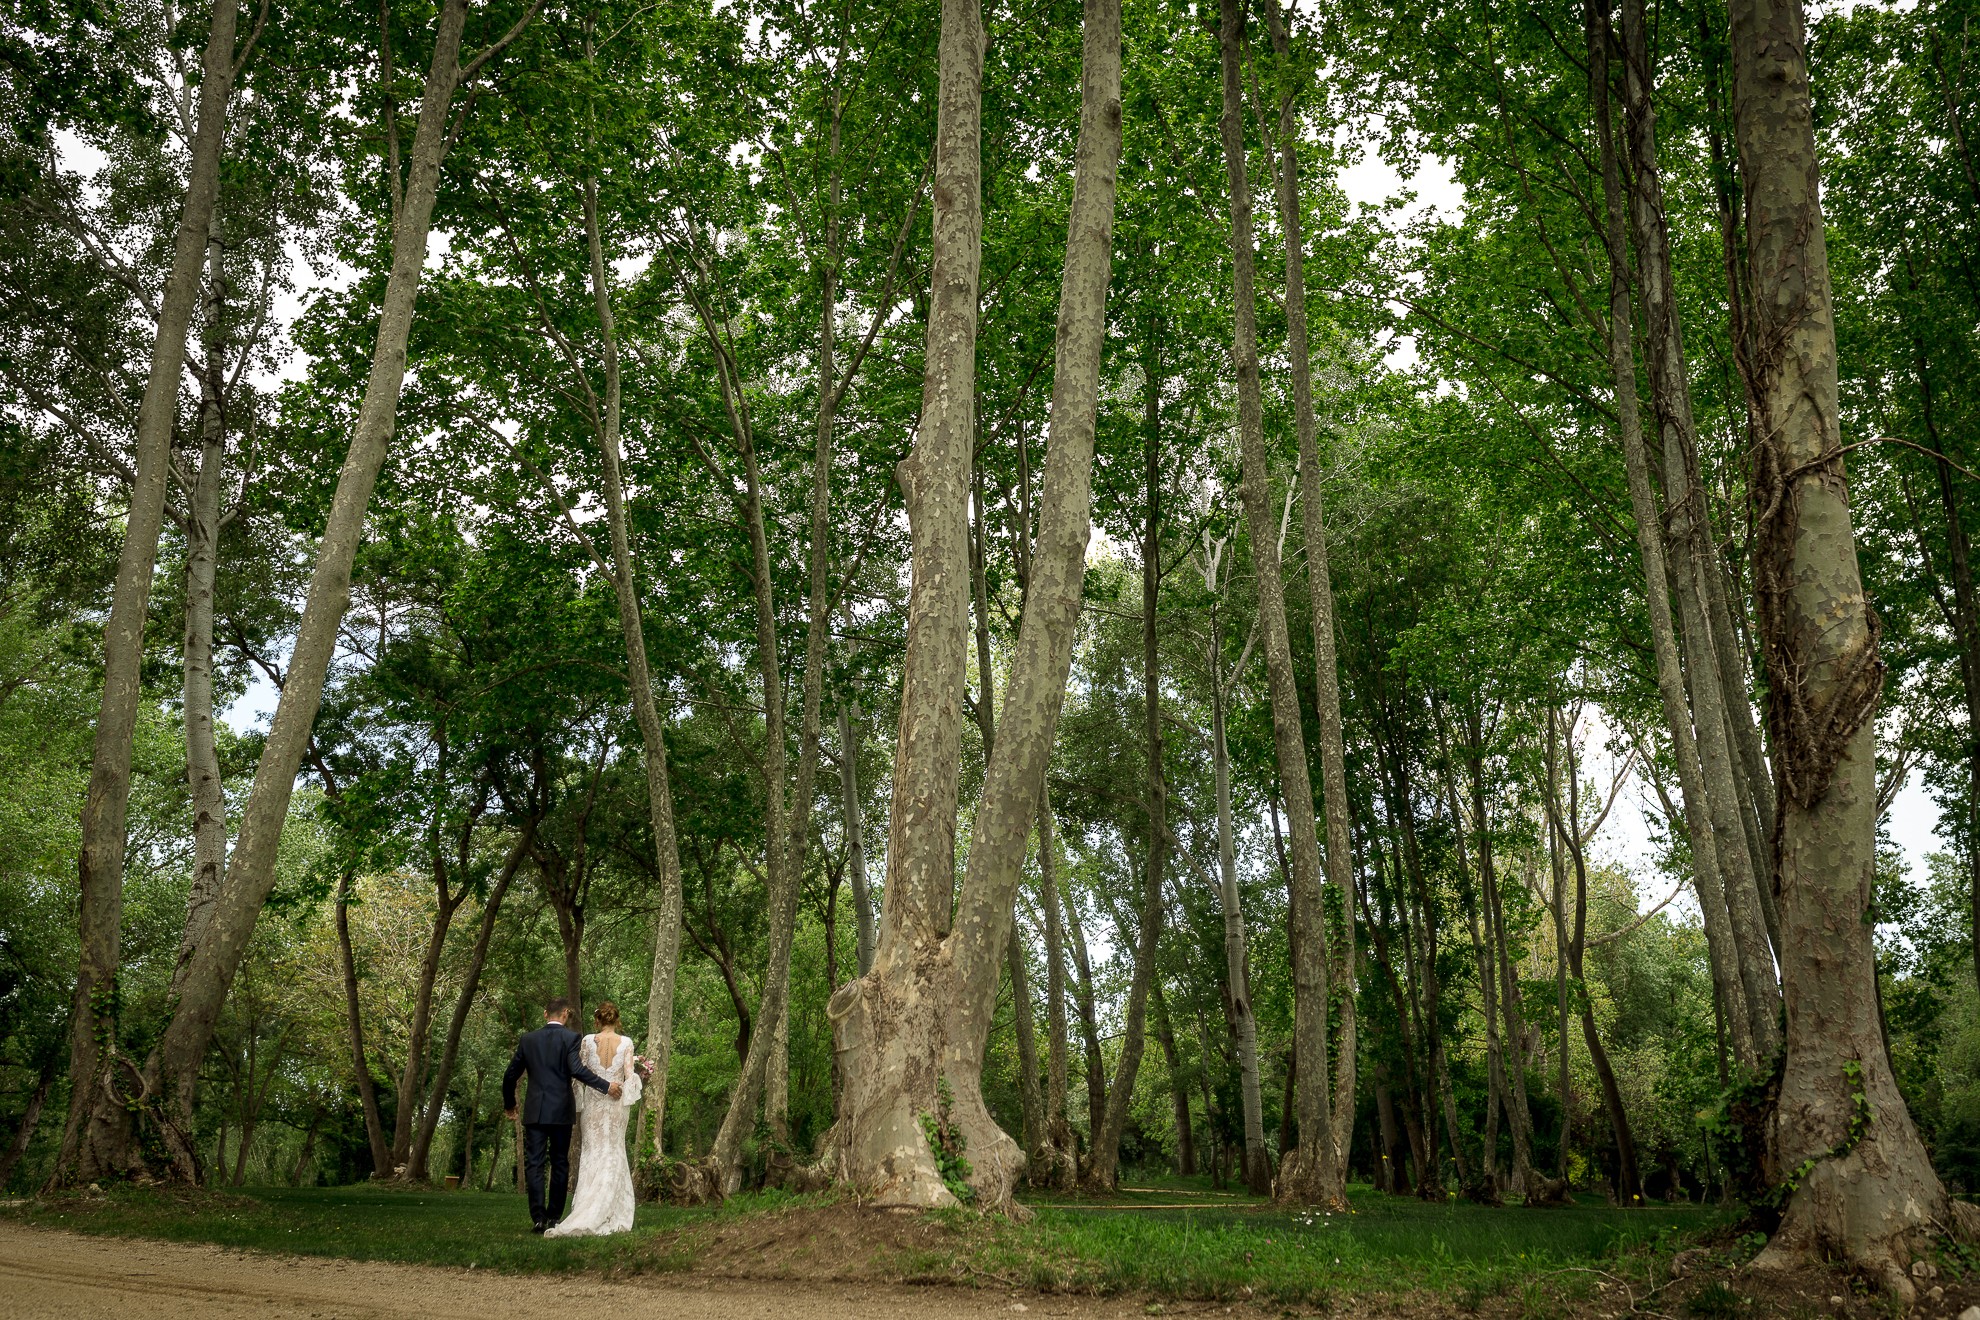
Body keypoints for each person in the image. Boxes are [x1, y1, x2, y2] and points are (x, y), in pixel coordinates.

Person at [503, 998, 620, 1233]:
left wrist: (510, 1104)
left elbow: (510, 1075)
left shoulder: (528, 1040)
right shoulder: (570, 1038)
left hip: (535, 1111)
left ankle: (538, 1218)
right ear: (565, 1014)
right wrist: (606, 1085)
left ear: (546, 1014)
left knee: (534, 1164)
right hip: (561, 1110)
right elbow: (576, 1070)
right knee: (559, 1163)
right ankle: (554, 1218)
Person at [544, 1001, 643, 1238]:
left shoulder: (587, 1041)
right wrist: (635, 1085)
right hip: (616, 1105)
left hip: (594, 1106)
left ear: (597, 1021)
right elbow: (629, 1077)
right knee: (614, 1151)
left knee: (592, 1153)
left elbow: (579, 1074)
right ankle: (610, 1209)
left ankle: (588, 1207)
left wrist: (578, 1102)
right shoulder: (627, 1042)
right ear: (617, 1021)